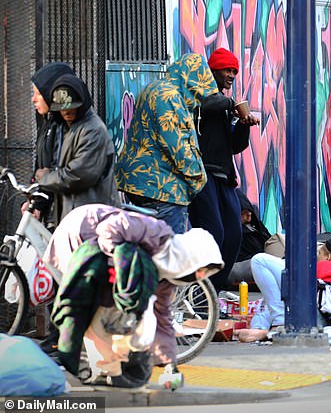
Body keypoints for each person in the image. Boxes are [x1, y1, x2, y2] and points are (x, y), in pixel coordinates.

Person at [41, 204, 224, 387]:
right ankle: (96, 367)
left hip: (106, 260)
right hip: (82, 233)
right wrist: (122, 266)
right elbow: (108, 229)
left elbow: (163, 319)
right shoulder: (155, 232)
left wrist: (169, 364)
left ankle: (103, 367)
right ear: (188, 258)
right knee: (98, 312)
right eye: (200, 270)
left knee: (115, 313)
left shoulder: (167, 277)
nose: (200, 277)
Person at [114, 53, 218, 373]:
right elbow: (179, 146)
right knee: (164, 267)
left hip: (138, 185)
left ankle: (135, 328)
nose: (199, 99)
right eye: (199, 91)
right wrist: (198, 180)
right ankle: (157, 337)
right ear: (193, 79)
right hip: (164, 190)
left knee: (142, 259)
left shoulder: (154, 88)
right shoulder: (171, 98)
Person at [189, 48, 260, 291]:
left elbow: (236, 145)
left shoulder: (222, 102)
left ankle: (213, 291)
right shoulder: (202, 96)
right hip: (203, 176)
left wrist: (243, 124)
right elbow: (208, 103)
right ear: (213, 70)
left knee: (233, 234)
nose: (231, 75)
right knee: (213, 233)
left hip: (224, 178)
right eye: (227, 70)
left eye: (234, 71)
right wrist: (234, 105)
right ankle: (201, 291)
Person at [35, 74, 119, 226]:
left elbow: (78, 175)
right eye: (62, 109)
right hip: (76, 216)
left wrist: (45, 178)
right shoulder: (67, 128)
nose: (67, 112)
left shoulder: (93, 130)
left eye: (72, 107)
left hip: (92, 219)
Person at [234, 238, 331, 343]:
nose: (316, 256)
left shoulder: (327, 266)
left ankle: (274, 324)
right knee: (274, 297)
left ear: (328, 257)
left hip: (313, 317)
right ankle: (260, 329)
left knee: (259, 260)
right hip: (326, 323)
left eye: (319, 253)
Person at [25, 62, 76, 226]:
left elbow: (61, 168)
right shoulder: (47, 123)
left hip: (64, 213)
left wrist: (39, 201)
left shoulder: (64, 127)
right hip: (51, 209)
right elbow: (41, 166)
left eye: (38, 94)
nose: (33, 99)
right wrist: (33, 200)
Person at [223, 189, 271, 289]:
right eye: (243, 213)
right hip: (244, 267)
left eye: (249, 211)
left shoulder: (256, 226)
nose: (249, 214)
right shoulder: (232, 231)